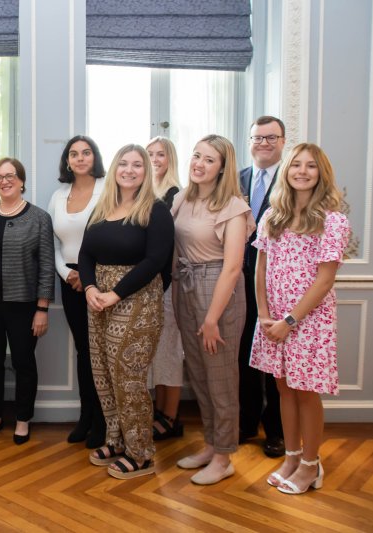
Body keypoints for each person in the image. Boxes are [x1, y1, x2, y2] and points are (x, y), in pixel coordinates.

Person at [250, 143, 350, 494]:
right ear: (286, 171)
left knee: (305, 391)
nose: (302, 171)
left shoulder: (332, 221)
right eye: (296, 165)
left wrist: (289, 321)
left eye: (311, 166)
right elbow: (260, 269)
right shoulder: (271, 217)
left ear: (321, 173)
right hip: (272, 321)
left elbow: (324, 280)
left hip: (309, 321)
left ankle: (311, 465)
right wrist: (264, 315)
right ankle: (291, 457)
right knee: (283, 388)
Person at [79, 144, 174, 479]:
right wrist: (91, 288)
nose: (129, 170)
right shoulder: (103, 207)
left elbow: (155, 261)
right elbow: (85, 254)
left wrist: (115, 294)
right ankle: (116, 440)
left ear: (146, 171)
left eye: (137, 165)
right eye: (123, 164)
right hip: (98, 301)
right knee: (103, 374)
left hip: (137, 301)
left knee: (128, 377)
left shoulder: (156, 210)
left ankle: (141, 453)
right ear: (115, 169)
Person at [171, 134, 255, 485]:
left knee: (221, 377)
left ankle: (224, 458)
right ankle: (210, 444)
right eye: (196, 156)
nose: (198, 164)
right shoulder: (180, 199)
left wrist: (211, 318)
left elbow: (233, 267)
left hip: (216, 289)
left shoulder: (233, 207)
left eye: (208, 159)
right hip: (185, 284)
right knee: (199, 375)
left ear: (222, 168)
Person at [0, 158, 55, 445]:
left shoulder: (39, 218)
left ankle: (22, 419)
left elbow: (46, 266)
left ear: (21, 180)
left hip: (24, 305)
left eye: (10, 176)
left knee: (23, 362)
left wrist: (42, 309)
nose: (4, 181)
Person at [47, 135, 107, 448]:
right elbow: (53, 242)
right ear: (67, 161)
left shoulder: (107, 190)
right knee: (84, 350)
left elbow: (112, 235)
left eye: (86, 153)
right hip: (69, 279)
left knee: (100, 350)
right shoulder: (59, 195)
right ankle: (87, 416)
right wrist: (67, 272)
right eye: (74, 154)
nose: (80, 158)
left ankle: (104, 420)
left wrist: (88, 276)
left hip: (99, 280)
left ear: (94, 157)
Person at [238, 116, 287, 457]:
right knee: (242, 357)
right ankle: (245, 422)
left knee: (273, 363)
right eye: (258, 137)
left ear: (283, 141)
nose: (264, 143)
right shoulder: (238, 178)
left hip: (277, 285)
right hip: (237, 282)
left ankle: (276, 431)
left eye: (271, 137)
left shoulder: (293, 179)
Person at [145, 136, 184, 441]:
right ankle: (158, 411)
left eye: (161, 154)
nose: (155, 159)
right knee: (156, 352)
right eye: (149, 154)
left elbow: (171, 246)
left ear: (170, 159)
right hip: (149, 285)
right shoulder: (146, 192)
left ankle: (170, 416)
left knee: (170, 351)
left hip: (169, 285)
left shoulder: (175, 194)